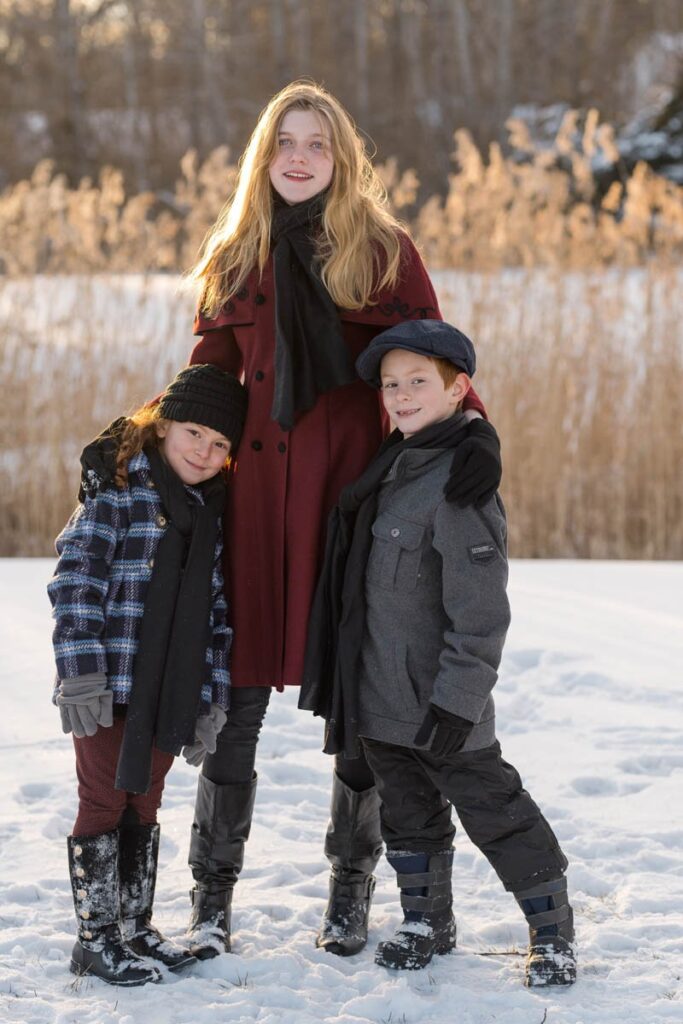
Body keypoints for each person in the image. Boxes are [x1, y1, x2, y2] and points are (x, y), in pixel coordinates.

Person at [79, 80, 502, 960]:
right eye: (285, 144)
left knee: (363, 703)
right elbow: (203, 385)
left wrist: (477, 436)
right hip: (254, 513)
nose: (299, 158)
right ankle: (212, 897)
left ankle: (349, 892)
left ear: (341, 159)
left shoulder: (383, 252)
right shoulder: (236, 254)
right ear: (263, 159)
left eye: (316, 143)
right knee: (232, 708)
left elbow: (431, 364)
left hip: (352, 512)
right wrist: (133, 440)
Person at [302, 319, 576, 988]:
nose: (399, 395)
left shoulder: (459, 481)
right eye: (391, 384)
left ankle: (553, 934)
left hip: (441, 703)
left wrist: (458, 701)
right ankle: (426, 921)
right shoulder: (392, 466)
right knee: (408, 817)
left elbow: (481, 611)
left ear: (459, 389)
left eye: (416, 382)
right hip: (381, 700)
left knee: (496, 814)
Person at [48, 365, 248, 986]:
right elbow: (76, 577)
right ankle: (96, 937)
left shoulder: (209, 514)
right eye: (194, 433)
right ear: (162, 425)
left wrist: (210, 698)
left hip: (170, 691)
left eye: (221, 445)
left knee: (146, 800)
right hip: (109, 686)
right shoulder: (118, 489)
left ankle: (135, 928)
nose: (205, 452)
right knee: (104, 799)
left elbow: (217, 615)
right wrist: (81, 673)